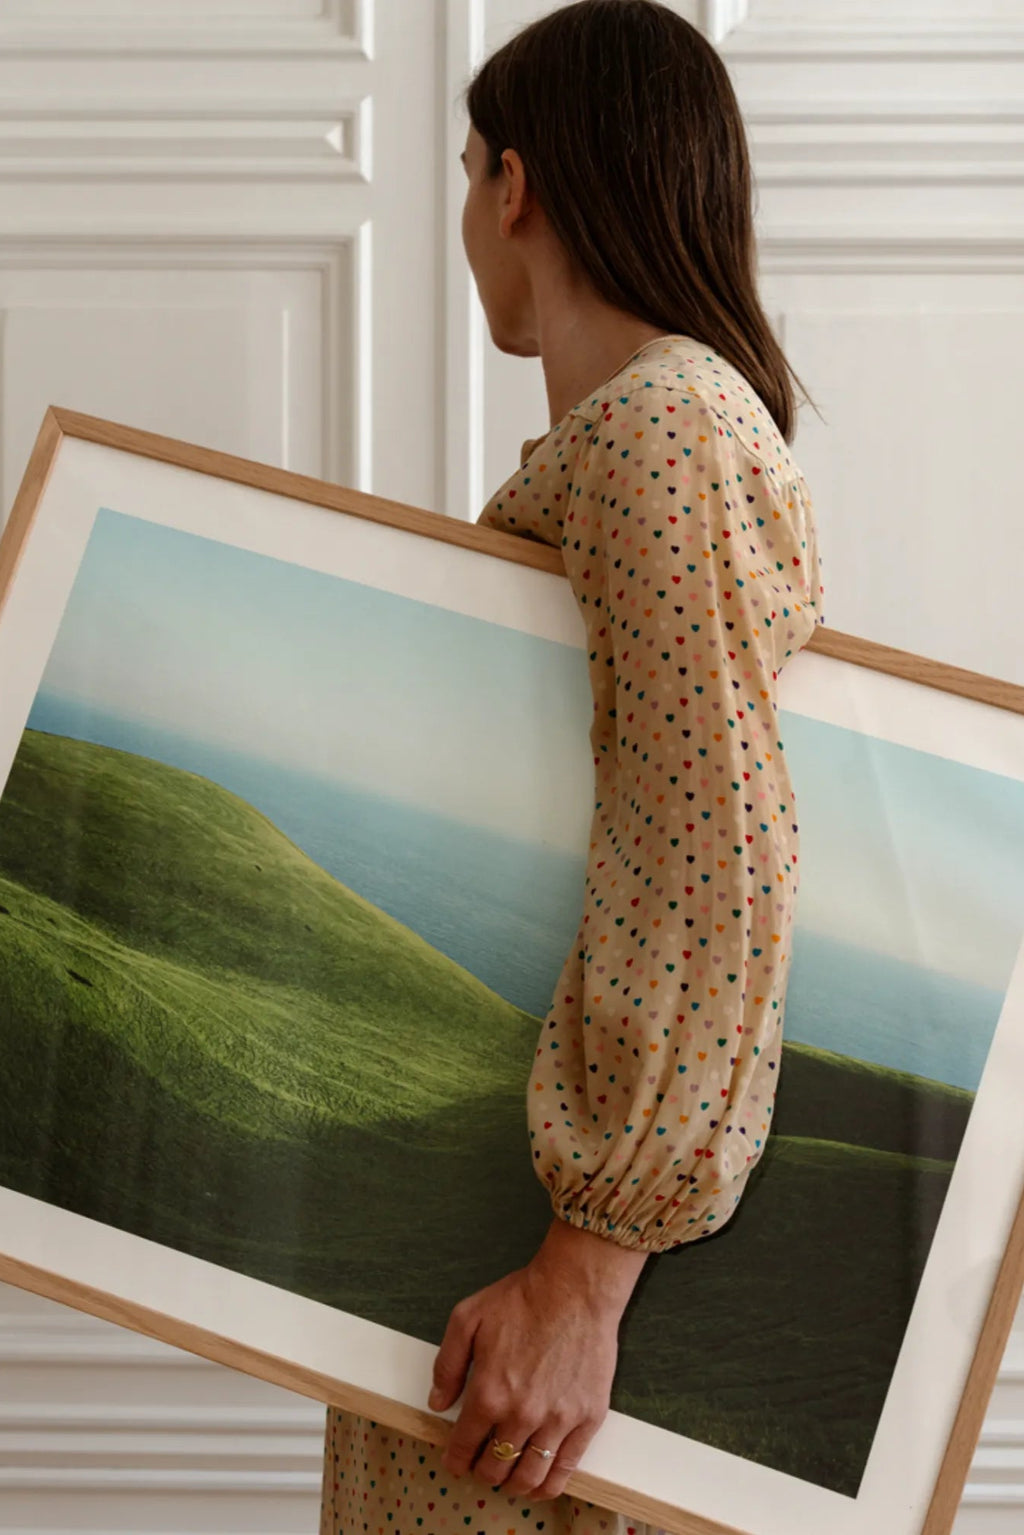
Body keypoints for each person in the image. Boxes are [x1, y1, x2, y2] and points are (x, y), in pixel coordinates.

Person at [319, 3, 825, 1532]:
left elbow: (710, 858)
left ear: (514, 187)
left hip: (554, 1328)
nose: (467, 216)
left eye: (466, 174)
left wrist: (587, 1271)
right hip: (522, 1288)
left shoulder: (659, 434)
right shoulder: (650, 432)